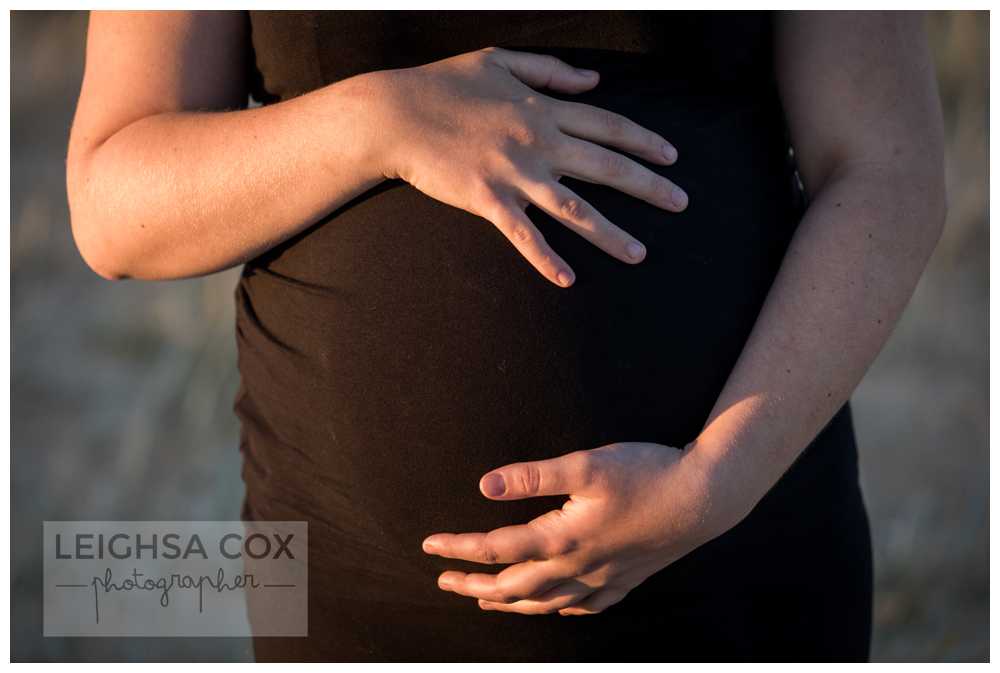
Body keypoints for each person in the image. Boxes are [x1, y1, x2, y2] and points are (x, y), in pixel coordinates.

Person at [66, 9, 947, 662]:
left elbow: (887, 170)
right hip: (346, 588)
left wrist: (715, 483)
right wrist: (374, 121)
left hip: (728, 563)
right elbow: (114, 204)